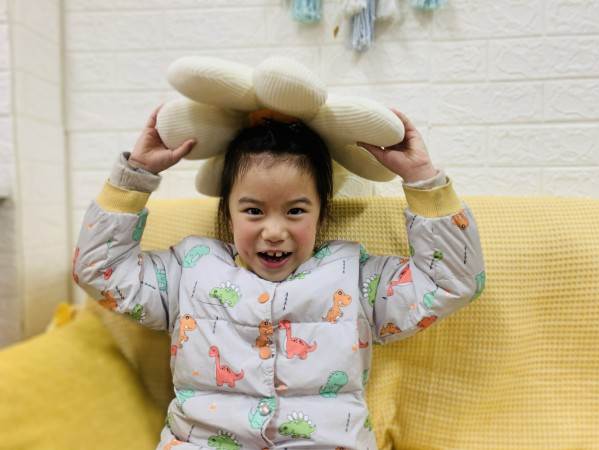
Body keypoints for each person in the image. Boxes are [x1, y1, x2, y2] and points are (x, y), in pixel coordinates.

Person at [73, 104, 486, 450]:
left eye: (295, 211)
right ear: (228, 212)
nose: (274, 231)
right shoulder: (190, 268)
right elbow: (99, 271)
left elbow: (450, 281)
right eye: (253, 211)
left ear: (322, 212)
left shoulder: (354, 275)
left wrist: (422, 179)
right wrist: (135, 175)